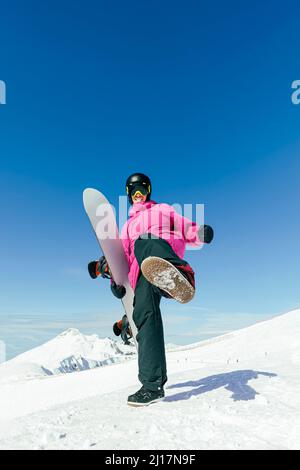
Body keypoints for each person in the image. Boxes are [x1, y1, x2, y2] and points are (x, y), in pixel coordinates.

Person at [88, 173, 214, 406]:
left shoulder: (164, 210)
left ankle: (180, 276)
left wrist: (199, 233)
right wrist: (116, 283)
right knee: (143, 318)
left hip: (165, 258)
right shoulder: (126, 229)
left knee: (146, 240)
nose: (138, 194)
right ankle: (152, 385)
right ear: (128, 194)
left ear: (148, 191)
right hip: (145, 273)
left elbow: (186, 227)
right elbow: (121, 260)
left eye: (141, 189)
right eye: (133, 191)